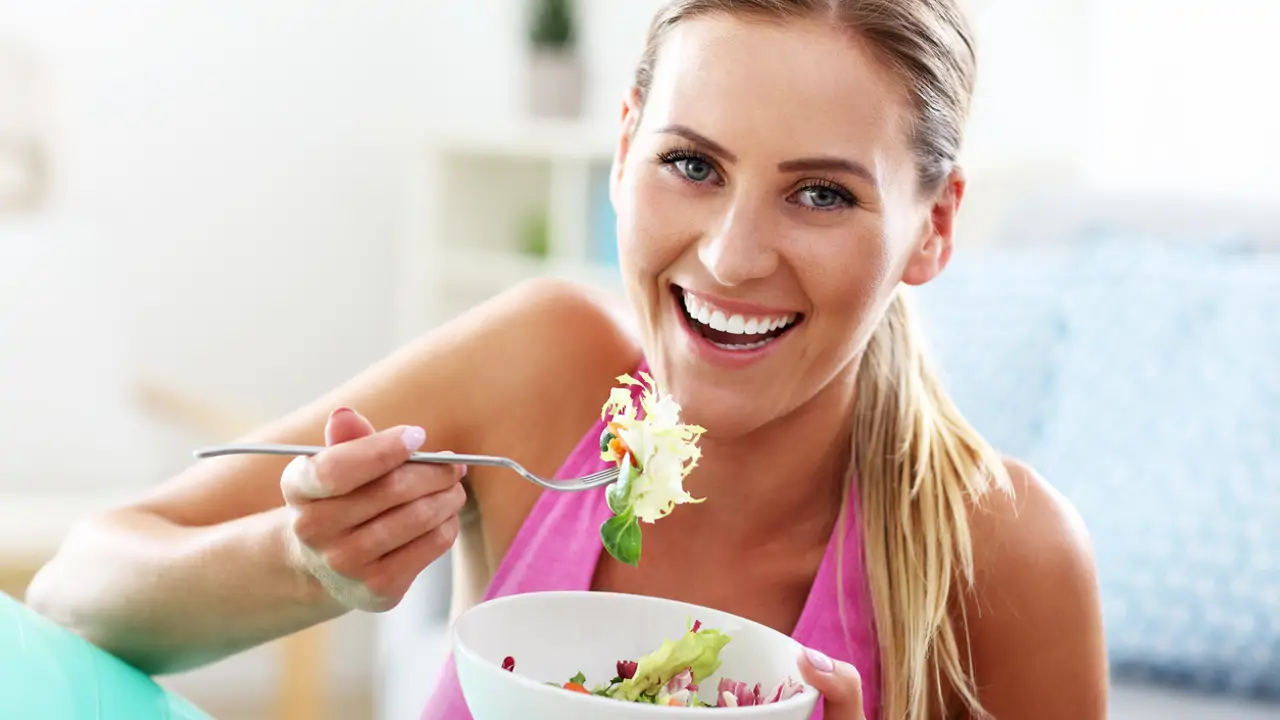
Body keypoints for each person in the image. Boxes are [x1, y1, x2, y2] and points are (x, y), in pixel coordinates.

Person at [25, 1, 1109, 718]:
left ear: (933, 225)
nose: (730, 257)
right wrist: (302, 563)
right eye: (690, 163)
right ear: (623, 148)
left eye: (820, 193)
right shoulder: (540, 370)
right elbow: (79, 591)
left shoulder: (1005, 553)